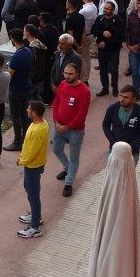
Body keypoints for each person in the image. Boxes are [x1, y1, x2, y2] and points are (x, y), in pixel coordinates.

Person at [51, 63, 90, 198]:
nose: (67, 76)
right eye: (65, 73)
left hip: (75, 131)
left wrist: (67, 127)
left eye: (70, 74)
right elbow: (56, 103)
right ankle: (68, 169)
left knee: (74, 157)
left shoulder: (84, 91)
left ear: (77, 74)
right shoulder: (62, 84)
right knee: (56, 149)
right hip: (59, 126)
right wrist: (56, 121)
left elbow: (81, 114)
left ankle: (69, 183)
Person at [17, 100, 49, 239]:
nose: (27, 110)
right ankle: (36, 215)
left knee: (33, 193)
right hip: (34, 164)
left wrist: (21, 160)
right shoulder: (42, 123)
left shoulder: (37, 130)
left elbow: (32, 151)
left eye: (29, 108)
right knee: (31, 189)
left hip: (33, 165)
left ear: (34, 113)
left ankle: (35, 226)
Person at [101, 85, 140, 164]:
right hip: (114, 151)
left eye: (126, 97)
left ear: (134, 99)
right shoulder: (112, 108)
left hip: (132, 153)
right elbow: (105, 125)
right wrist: (114, 142)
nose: (122, 99)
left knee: (127, 176)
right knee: (111, 176)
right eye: (120, 96)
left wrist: (129, 147)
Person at [5, 28, 34, 150]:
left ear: (12, 39)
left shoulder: (16, 56)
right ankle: (25, 138)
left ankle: (17, 142)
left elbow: (9, 75)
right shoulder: (28, 51)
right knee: (25, 114)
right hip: (27, 86)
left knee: (15, 116)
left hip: (16, 89)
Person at [91, 1, 125, 96]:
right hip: (102, 50)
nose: (105, 10)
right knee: (103, 70)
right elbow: (94, 30)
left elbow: (120, 36)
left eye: (108, 9)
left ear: (113, 10)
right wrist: (102, 33)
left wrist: (106, 43)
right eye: (104, 8)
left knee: (114, 70)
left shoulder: (117, 20)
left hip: (113, 50)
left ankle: (115, 88)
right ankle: (105, 88)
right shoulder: (100, 18)